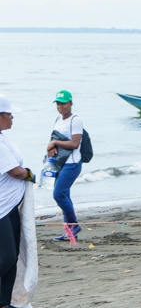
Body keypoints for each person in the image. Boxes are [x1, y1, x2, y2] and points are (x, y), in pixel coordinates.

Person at [0, 94, 34, 308]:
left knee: (11, 258)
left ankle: (3, 305)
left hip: (10, 206)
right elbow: (16, 171)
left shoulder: (3, 138)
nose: (12, 117)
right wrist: (29, 174)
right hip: (1, 208)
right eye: (9, 113)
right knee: (7, 256)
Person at [48, 90, 84, 241]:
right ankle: (69, 231)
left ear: (71, 103)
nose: (60, 106)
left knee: (58, 194)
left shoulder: (75, 120)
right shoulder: (57, 119)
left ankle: (74, 225)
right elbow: (54, 138)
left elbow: (75, 144)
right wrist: (52, 147)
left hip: (72, 164)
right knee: (65, 195)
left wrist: (55, 143)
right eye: (58, 103)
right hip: (61, 163)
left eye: (63, 103)